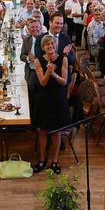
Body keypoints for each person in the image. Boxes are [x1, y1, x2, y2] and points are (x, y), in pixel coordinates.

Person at [32, 35, 69, 176]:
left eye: (52, 44)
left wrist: (54, 73)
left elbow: (64, 81)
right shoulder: (38, 61)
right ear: (43, 47)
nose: (50, 46)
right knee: (42, 131)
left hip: (58, 98)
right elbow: (42, 82)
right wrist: (48, 71)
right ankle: (42, 160)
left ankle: (55, 160)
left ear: (56, 45)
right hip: (44, 98)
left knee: (56, 132)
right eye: (47, 44)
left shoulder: (63, 59)